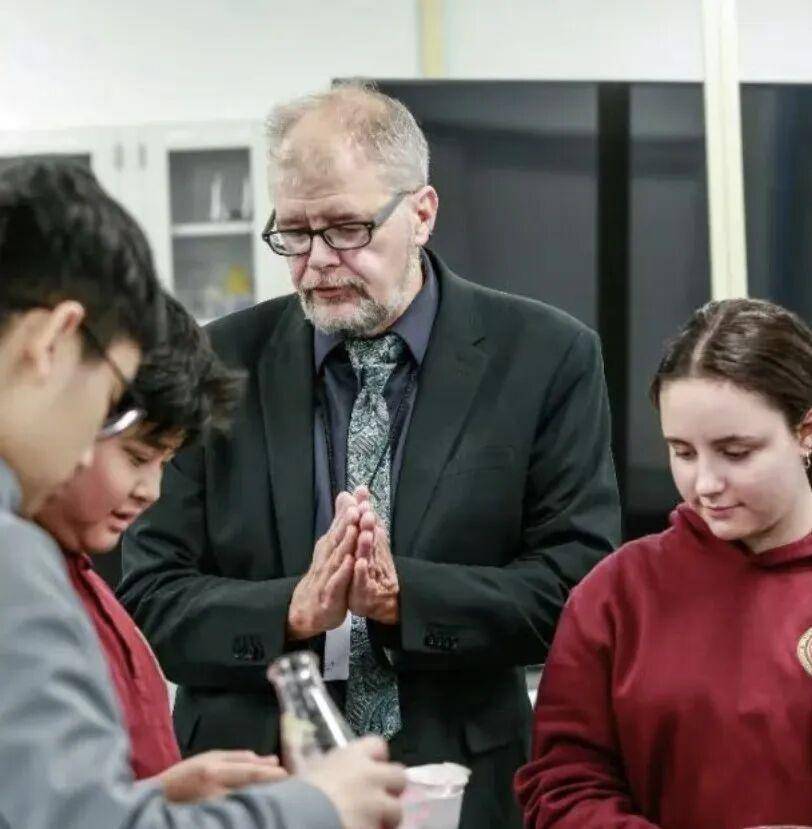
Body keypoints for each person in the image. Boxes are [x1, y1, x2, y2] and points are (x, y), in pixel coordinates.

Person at [119, 81, 621, 828]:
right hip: (256, 785)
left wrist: (402, 601)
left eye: (348, 230)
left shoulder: (546, 357)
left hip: (460, 781)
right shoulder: (213, 363)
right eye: (294, 234)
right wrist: (291, 610)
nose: (318, 261)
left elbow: (573, 586)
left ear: (422, 213)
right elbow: (148, 597)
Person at [0, 159, 405, 829]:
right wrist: (319, 805)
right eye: (108, 398)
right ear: (52, 343)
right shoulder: (14, 557)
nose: (87, 445)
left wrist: (150, 798)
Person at [514, 297, 812, 828]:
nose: (706, 483)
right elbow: (562, 787)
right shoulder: (616, 596)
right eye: (683, 452)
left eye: (736, 452)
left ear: (806, 433)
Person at [34, 293, 293, 797]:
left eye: (164, 464)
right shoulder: (26, 588)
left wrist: (169, 793)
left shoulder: (80, 579)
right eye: (136, 457)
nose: (151, 491)